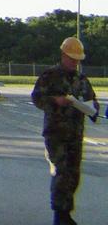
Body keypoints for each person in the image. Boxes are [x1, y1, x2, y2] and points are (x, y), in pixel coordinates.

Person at [31, 36, 100, 225]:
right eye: (72, 58)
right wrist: (55, 101)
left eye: (77, 59)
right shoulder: (50, 76)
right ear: (63, 55)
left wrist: (93, 107)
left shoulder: (82, 79)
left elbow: (92, 101)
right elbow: (37, 98)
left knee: (73, 175)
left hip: (75, 135)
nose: (75, 62)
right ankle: (59, 215)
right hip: (56, 134)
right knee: (61, 173)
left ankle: (66, 212)